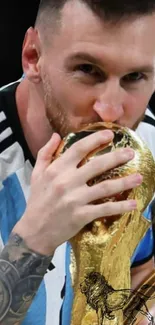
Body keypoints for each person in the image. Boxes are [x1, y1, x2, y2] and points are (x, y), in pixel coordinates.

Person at [0, 0, 155, 324]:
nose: (111, 111)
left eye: (135, 76)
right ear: (33, 57)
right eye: (87, 70)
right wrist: (34, 240)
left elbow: (142, 273)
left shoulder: (148, 145)